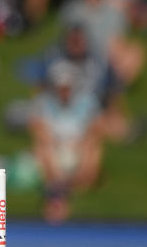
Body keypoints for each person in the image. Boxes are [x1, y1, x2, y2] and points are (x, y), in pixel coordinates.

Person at [27, 59, 104, 195]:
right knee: (43, 148)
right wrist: (54, 142)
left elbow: (95, 130)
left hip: (78, 149)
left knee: (93, 147)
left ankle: (79, 184)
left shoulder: (87, 102)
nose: (64, 91)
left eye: (67, 87)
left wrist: (81, 144)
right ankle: (57, 184)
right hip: (54, 149)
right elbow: (37, 129)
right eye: (61, 87)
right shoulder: (43, 102)